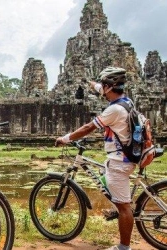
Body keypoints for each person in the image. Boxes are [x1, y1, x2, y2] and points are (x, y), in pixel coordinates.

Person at [55, 67, 135, 250]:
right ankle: (119, 209)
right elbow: (103, 89)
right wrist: (91, 83)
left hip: (120, 161)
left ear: (109, 87)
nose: (103, 92)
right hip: (122, 159)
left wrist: (65, 139)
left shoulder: (114, 110)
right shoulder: (126, 101)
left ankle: (124, 247)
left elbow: (88, 128)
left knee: (124, 207)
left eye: (104, 87)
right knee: (105, 178)